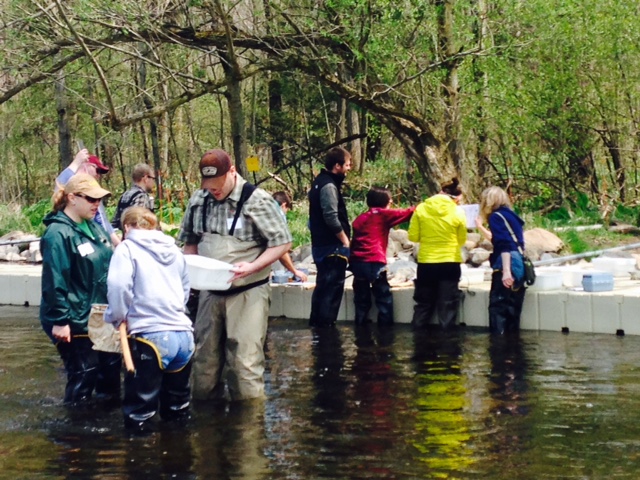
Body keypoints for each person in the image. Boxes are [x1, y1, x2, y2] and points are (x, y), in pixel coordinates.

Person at [178, 149, 292, 401]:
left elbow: (282, 242)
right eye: (209, 186)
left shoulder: (258, 201)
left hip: (248, 290)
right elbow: (189, 243)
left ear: (232, 172)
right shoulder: (199, 200)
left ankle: (248, 431)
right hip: (209, 291)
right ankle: (206, 428)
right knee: (204, 364)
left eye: (218, 185)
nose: (213, 190)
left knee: (244, 365)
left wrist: (253, 266)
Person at [104, 207, 194, 431]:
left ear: (126, 227)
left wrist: (117, 316)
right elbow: (185, 289)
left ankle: (141, 462)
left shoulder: (127, 248)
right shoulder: (174, 250)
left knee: (139, 414)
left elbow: (118, 286)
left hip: (151, 338)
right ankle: (177, 459)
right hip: (184, 337)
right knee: (177, 410)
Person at [39, 173, 121, 405]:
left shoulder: (94, 228)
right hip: (73, 319)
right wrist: (60, 320)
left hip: (100, 315)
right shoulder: (57, 234)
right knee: (84, 374)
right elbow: (54, 280)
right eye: (91, 199)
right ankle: (75, 432)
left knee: (111, 373)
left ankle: (106, 432)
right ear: (72, 198)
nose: (97, 205)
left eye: (99, 200)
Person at [349, 187, 415, 326]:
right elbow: (408, 212)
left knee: (361, 301)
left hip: (357, 262)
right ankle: (385, 337)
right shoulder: (383, 214)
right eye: (390, 201)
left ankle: (361, 332)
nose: (391, 203)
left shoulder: (360, 218)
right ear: (383, 202)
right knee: (384, 298)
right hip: (374, 261)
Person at [408, 178, 467, 329]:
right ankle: (447, 345)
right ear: (456, 197)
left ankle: (418, 344)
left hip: (426, 263)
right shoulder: (457, 211)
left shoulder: (421, 208)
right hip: (450, 262)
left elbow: (413, 237)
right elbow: (462, 239)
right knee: (447, 306)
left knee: (423, 304)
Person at [308, 147, 352, 327]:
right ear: (337, 166)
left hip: (320, 245)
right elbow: (331, 216)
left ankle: (317, 332)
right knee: (331, 293)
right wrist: (344, 240)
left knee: (321, 290)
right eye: (347, 165)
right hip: (332, 248)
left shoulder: (318, 182)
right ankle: (327, 336)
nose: (349, 168)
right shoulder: (328, 186)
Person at [476, 186, 527, 334]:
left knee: (498, 307)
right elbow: (499, 239)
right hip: (519, 263)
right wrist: (480, 227)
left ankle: (499, 348)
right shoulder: (510, 215)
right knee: (512, 309)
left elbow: (505, 245)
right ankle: (513, 346)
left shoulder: (495, 217)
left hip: (507, 263)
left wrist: (505, 272)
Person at [55, 148, 120, 246]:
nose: (98, 175)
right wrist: (76, 163)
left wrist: (118, 245)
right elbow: (60, 183)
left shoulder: (95, 191)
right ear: (87, 166)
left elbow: (103, 221)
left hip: (98, 240)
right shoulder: (72, 183)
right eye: (97, 170)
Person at [272, 191, 308, 282]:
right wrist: (294, 271)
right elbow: (279, 247)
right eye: (287, 210)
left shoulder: (265, 212)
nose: (286, 213)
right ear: (284, 205)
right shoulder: (278, 217)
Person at [111, 163, 156, 230]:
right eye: (153, 178)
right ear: (146, 178)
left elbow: (115, 221)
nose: (153, 182)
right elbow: (139, 223)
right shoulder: (141, 196)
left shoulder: (125, 194)